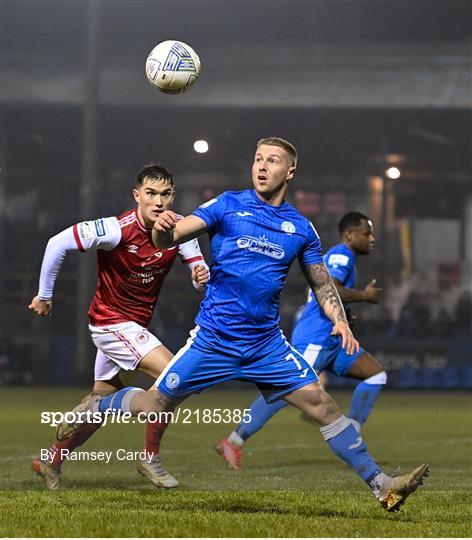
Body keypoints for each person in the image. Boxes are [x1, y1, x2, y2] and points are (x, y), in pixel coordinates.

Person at [61, 138, 428, 511]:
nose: (262, 166)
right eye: (257, 159)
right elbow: (167, 236)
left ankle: (383, 485)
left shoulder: (301, 228)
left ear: (290, 172)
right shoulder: (227, 204)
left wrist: (340, 321)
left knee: (323, 406)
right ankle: (98, 406)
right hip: (213, 341)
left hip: (265, 346)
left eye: (272, 160)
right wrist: (162, 227)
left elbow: (321, 282)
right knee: (153, 404)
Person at [28, 164, 209, 490]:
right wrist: (44, 294)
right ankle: (149, 457)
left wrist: (200, 276)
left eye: (165, 194)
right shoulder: (116, 229)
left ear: (173, 197)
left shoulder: (180, 229)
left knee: (97, 409)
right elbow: (58, 242)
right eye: (150, 194)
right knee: (176, 375)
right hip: (110, 324)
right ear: (136, 195)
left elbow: (198, 271)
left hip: (133, 329)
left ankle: (51, 459)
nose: (158, 201)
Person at [217, 212, 387, 469]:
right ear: (349, 235)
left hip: (332, 340)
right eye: (366, 233)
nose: (371, 238)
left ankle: (351, 432)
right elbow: (334, 288)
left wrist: (345, 316)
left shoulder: (342, 256)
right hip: (316, 339)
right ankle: (234, 440)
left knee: (376, 375)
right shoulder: (342, 254)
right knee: (284, 390)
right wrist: (364, 295)